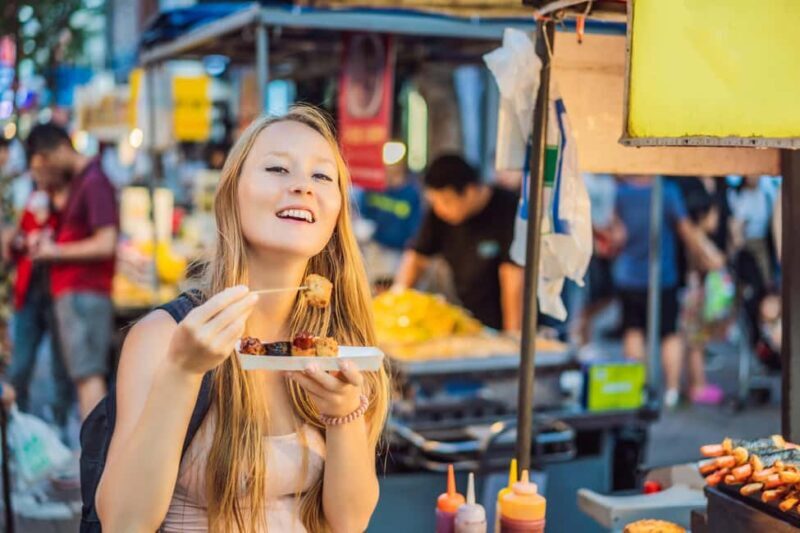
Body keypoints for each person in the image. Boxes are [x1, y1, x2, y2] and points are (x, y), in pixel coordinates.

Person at [95, 106, 390, 532]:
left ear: (338, 210)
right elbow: (123, 523)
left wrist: (343, 415)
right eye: (277, 168)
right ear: (232, 193)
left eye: (322, 176)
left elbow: (349, 522)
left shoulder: (337, 340)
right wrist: (182, 371)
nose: (303, 187)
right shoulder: (165, 337)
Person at [25, 123, 118, 419]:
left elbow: (107, 242)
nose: (47, 172)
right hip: (76, 294)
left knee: (88, 376)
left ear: (59, 150)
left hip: (84, 293)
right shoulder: (81, 181)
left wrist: (57, 251)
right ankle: (93, 454)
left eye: (46, 163)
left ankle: (96, 458)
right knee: (84, 376)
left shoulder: (93, 181)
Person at [613, 176, 723, 409]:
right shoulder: (667, 191)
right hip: (663, 275)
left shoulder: (622, 193)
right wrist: (707, 256)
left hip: (628, 275)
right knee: (668, 333)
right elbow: (686, 231)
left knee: (633, 331)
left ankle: (637, 389)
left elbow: (616, 233)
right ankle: (671, 390)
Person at [394, 154, 522, 332]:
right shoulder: (439, 214)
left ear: (470, 191)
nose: (439, 209)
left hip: (510, 319)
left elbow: (513, 276)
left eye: (446, 201)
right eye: (435, 202)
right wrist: (395, 302)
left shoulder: (508, 209)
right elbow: (416, 257)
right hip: (472, 320)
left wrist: (513, 336)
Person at [7, 185, 73, 423]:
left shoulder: (67, 202)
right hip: (29, 294)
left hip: (58, 294)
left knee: (61, 365)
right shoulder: (26, 200)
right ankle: (18, 419)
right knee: (20, 363)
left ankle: (60, 419)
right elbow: (12, 246)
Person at [355, 149, 423, 288]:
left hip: (398, 254)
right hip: (373, 250)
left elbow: (415, 227)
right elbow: (363, 213)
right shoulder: (373, 188)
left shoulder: (411, 194)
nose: (389, 170)